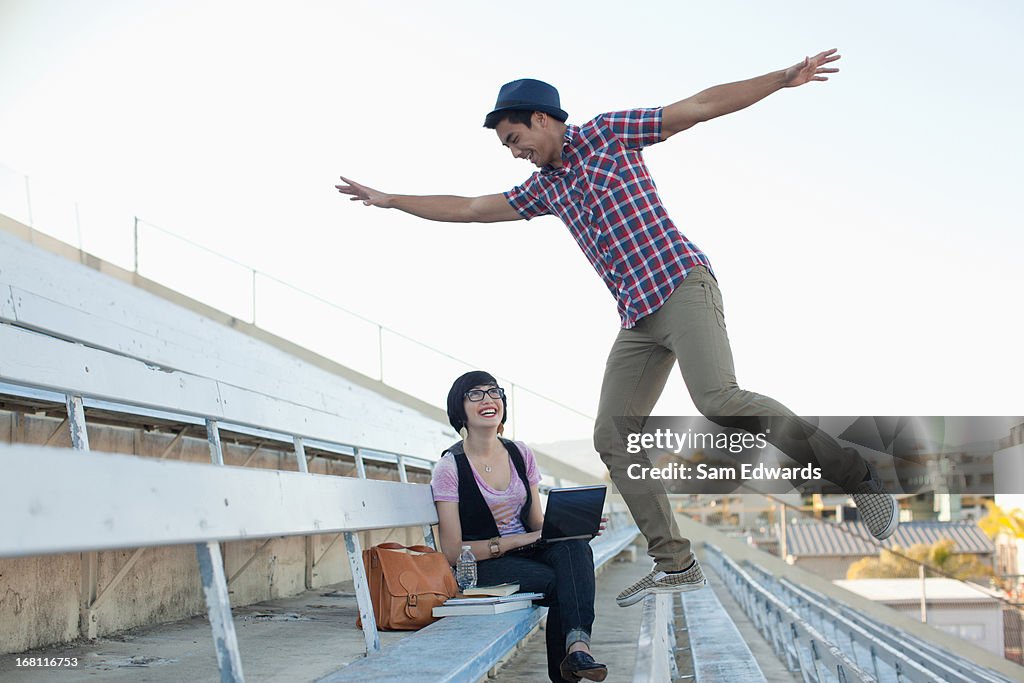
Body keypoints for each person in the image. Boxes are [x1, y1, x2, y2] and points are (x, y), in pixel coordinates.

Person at [338, 49, 899, 609]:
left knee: (719, 398)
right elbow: (471, 208)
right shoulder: (545, 188)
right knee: (611, 434)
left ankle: (858, 473)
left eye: (514, 139)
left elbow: (698, 107)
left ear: (541, 118)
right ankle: (675, 562)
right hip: (636, 317)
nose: (515, 153)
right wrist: (391, 200)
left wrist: (780, 79)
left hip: (681, 284)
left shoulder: (610, 133)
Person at [431, 370, 608, 682]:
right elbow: (453, 552)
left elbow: (538, 522)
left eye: (494, 392)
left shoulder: (520, 452)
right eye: (475, 394)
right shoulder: (450, 467)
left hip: (529, 550)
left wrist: (574, 525)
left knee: (577, 546)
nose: (488, 399)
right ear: (459, 409)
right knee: (560, 581)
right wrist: (515, 541)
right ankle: (569, 667)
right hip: (482, 567)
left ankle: (578, 646)